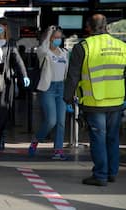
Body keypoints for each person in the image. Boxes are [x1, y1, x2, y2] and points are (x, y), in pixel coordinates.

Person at [64, 14, 126, 186]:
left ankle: (100, 175)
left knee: (98, 139)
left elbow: (73, 76)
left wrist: (67, 97)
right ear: (107, 26)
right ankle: (111, 173)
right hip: (116, 100)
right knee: (113, 138)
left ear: (89, 28)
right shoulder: (122, 46)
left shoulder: (83, 47)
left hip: (95, 101)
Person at [0, 17, 30, 151]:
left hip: (5, 81)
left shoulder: (10, 44)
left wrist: (24, 76)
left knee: (3, 110)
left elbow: (18, 61)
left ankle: (2, 137)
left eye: (0, 26)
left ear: (5, 28)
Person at [28, 25, 70, 160]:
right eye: (55, 38)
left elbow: (67, 73)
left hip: (61, 88)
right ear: (50, 39)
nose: (58, 40)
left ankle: (58, 150)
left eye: (59, 37)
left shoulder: (64, 52)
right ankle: (36, 140)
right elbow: (42, 48)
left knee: (61, 122)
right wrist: (48, 34)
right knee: (51, 120)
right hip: (48, 89)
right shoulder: (44, 53)